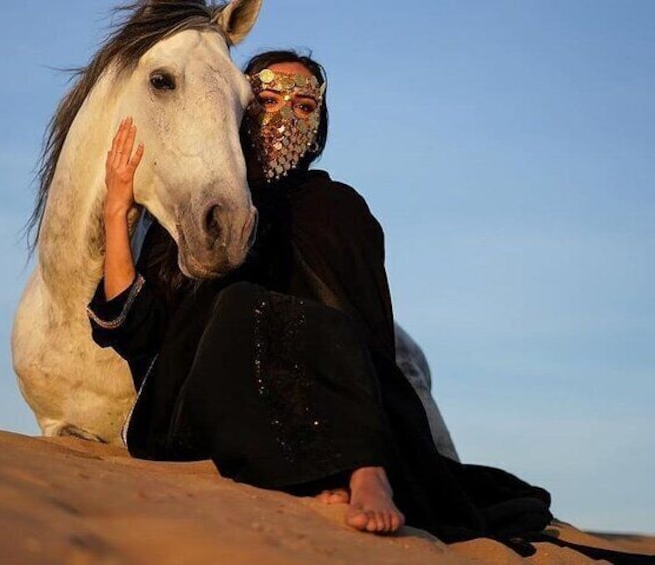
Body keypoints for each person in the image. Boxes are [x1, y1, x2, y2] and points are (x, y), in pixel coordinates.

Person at [88, 50, 553, 548]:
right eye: (266, 100)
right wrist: (118, 211)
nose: (284, 119)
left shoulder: (339, 210)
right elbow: (132, 328)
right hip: (206, 407)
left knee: (317, 327)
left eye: (304, 107)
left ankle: (363, 469)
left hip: (340, 404)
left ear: (320, 123)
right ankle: (325, 466)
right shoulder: (207, 212)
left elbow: (366, 334)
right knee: (242, 305)